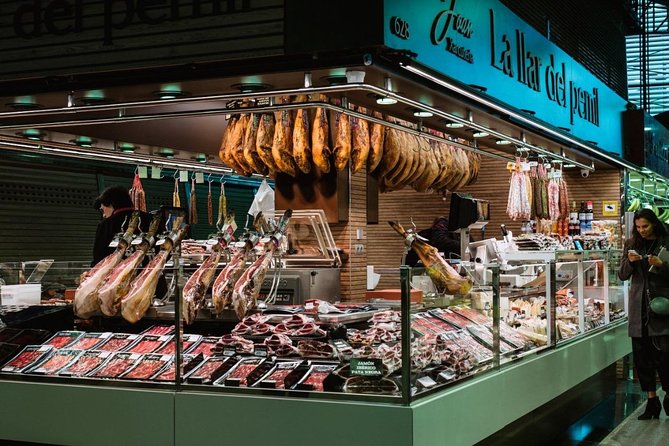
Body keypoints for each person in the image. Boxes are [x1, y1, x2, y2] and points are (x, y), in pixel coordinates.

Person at [618, 208, 669, 420]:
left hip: (661, 308)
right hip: (638, 308)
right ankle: (651, 401)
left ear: (654, 224)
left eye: (645, 226)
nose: (642, 231)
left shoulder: (666, 242)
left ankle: (668, 395)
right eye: (638, 227)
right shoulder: (631, 244)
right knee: (642, 358)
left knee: (665, 356)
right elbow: (622, 274)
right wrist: (630, 261)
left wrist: (662, 265)